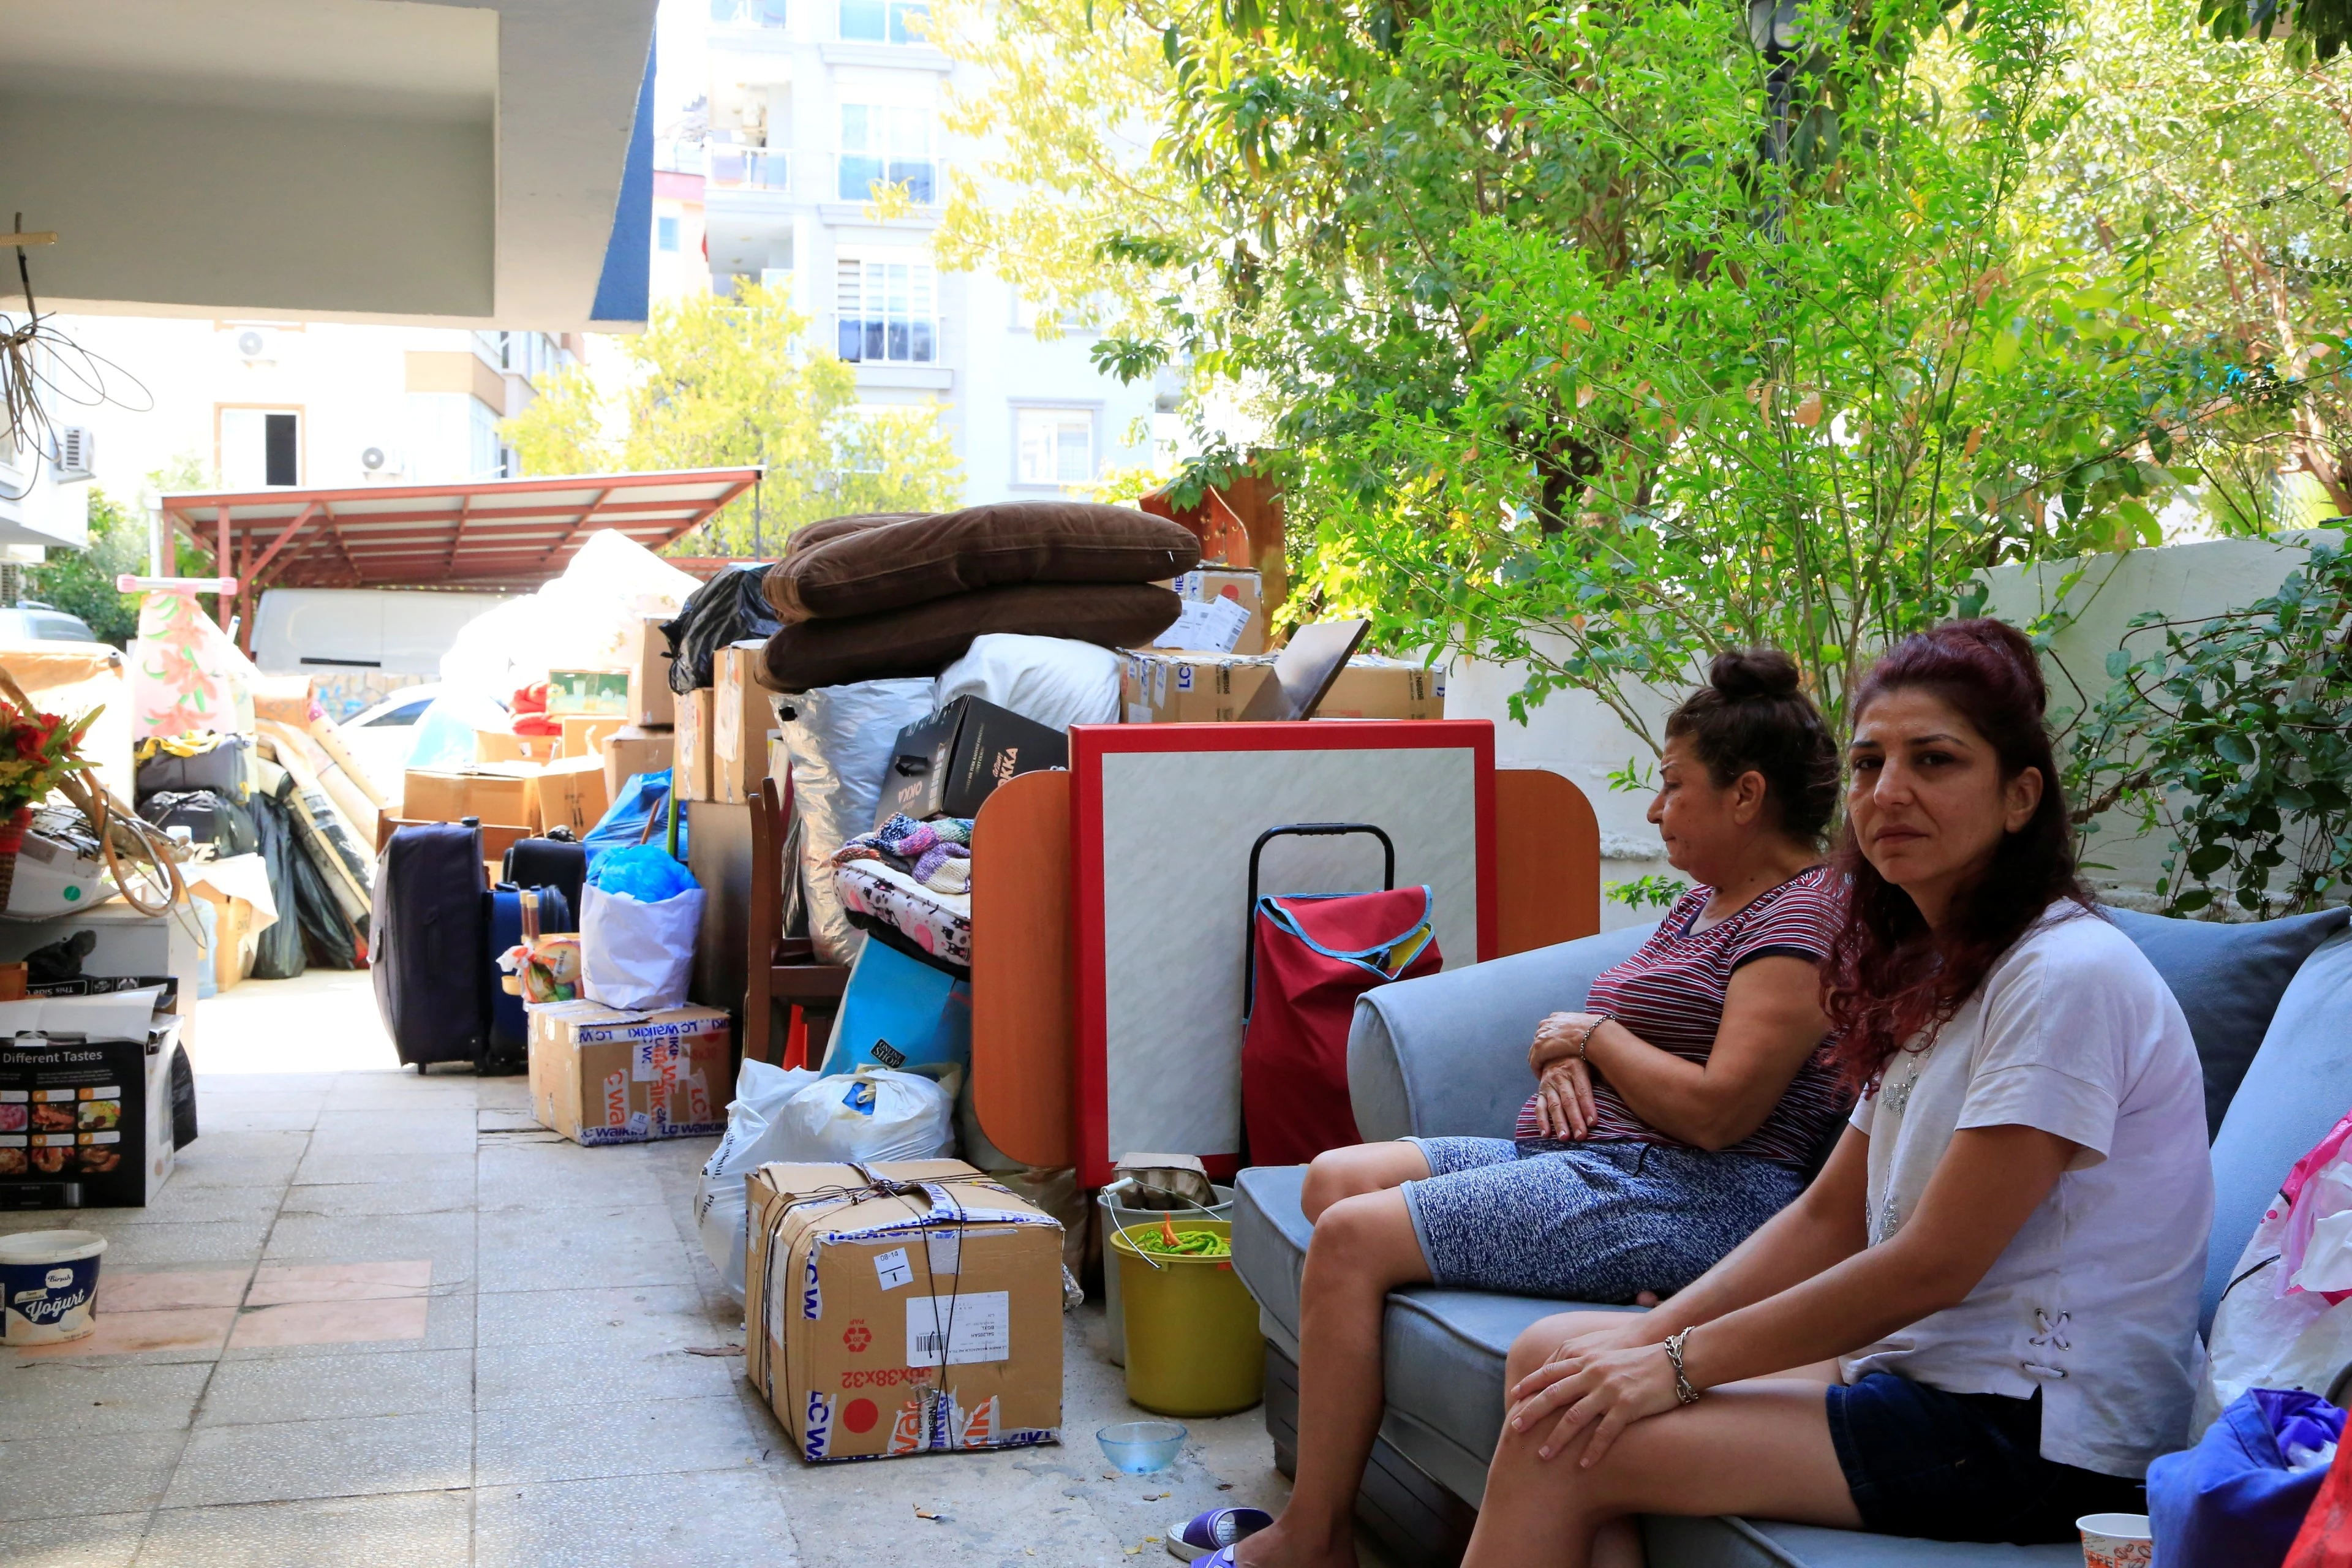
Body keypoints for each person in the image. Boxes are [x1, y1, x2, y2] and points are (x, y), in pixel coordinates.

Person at [1459, 619, 2212, 1568]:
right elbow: (1830, 1216)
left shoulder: (2065, 976)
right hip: (1931, 1373)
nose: (1888, 793)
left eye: (1934, 761)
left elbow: (1932, 1266)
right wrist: (1643, 1345)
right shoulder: (1940, 974)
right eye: (1868, 765)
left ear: (2020, 797)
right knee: (1557, 1368)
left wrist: (1674, 1367)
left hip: (2040, 1431)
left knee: (1558, 1440)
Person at [1226, 649, 1852, 1568]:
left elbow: (1721, 1113)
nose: (1653, 809)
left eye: (1673, 787)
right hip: (1607, 1166)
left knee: (1356, 1239)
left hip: (1694, 1197)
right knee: (1335, 1180)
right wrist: (1569, 1049)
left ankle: (1316, 1536)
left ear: (1747, 797)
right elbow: (1618, 1025)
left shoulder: (1800, 924)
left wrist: (1593, 1043)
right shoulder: (1709, 906)